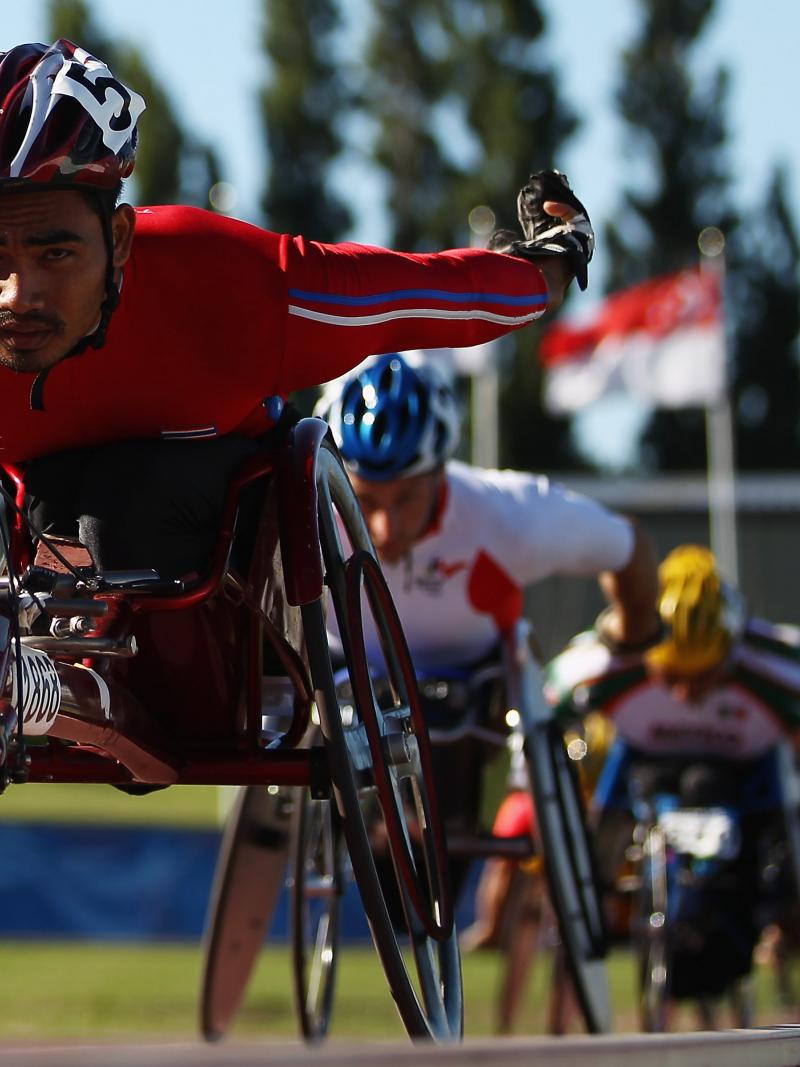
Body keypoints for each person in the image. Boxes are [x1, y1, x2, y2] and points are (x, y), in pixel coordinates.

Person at [0, 39, 595, 582]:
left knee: (122, 507)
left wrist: (547, 269)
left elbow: (430, 296)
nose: (18, 295)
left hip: (191, 501)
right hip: (36, 493)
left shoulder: (224, 286)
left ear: (121, 240)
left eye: (56, 253)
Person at [315, 350, 661, 910]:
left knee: (448, 707)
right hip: (347, 682)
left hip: (471, 698)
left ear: (440, 471)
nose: (385, 526)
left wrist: (638, 637)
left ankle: (423, 829)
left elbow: (629, 548)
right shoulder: (305, 513)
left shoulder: (505, 515)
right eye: (366, 498)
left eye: (406, 497)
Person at [542, 544, 800, 1025]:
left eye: (702, 678)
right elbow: (541, 703)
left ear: (731, 653)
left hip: (744, 777)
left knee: (783, 868)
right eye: (671, 677)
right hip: (643, 767)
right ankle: (582, 936)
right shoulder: (604, 662)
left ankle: (774, 930)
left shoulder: (778, 669)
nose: (685, 696)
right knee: (587, 870)